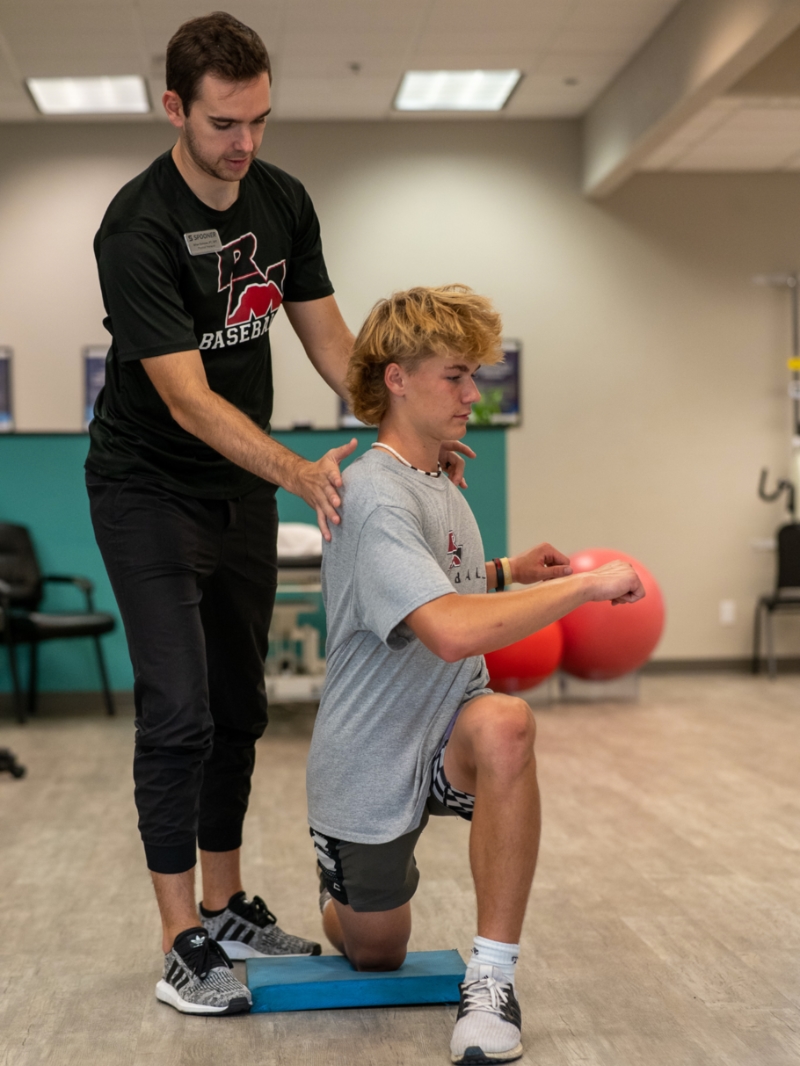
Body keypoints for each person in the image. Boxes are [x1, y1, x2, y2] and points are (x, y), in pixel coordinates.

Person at [85, 13, 469, 1017]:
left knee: (240, 706)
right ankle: (179, 939)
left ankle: (224, 902)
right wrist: (299, 473)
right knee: (178, 710)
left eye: (257, 119)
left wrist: (411, 428)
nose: (243, 142)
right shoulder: (136, 229)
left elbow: (331, 342)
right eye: (222, 123)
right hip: (145, 486)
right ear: (173, 108)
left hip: (234, 490)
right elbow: (184, 397)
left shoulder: (281, 201)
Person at [307, 285, 645, 1064]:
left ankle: (491, 981)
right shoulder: (373, 495)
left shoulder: (439, 480)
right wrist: (583, 587)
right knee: (377, 950)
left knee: (506, 724)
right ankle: (342, 896)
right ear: (396, 377)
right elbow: (449, 631)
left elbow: (448, 587)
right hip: (367, 755)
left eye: (475, 376)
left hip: (449, 724)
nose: (472, 393)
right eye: (455, 376)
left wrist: (506, 570)